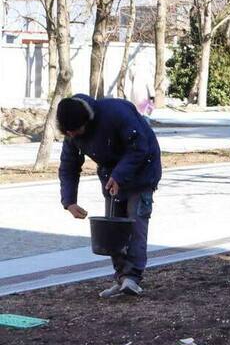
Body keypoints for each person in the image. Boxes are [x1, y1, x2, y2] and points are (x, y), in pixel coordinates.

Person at [57, 94, 162, 299]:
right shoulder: (72, 133)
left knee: (135, 225)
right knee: (113, 228)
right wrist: (69, 201)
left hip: (143, 172)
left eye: (77, 130)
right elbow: (69, 166)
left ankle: (132, 278)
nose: (74, 135)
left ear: (87, 120)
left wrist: (119, 175)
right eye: (70, 133)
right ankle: (122, 278)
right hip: (111, 177)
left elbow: (140, 147)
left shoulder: (116, 112)